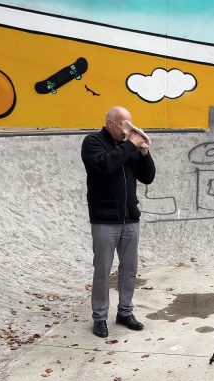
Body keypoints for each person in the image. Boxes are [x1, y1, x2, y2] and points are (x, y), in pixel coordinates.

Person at [81, 106, 155, 338]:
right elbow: (106, 165)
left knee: (129, 269)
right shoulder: (92, 142)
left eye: (130, 125)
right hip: (104, 219)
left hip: (130, 218)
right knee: (102, 271)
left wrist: (144, 154)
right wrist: (130, 145)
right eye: (124, 125)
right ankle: (100, 317)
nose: (128, 130)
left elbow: (148, 177)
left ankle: (125, 312)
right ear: (110, 123)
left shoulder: (128, 146)